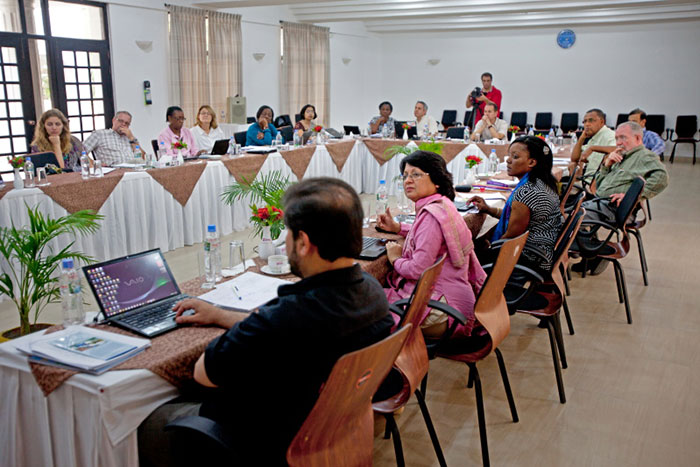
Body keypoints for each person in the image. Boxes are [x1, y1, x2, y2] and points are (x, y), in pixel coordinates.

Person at [138, 177, 393, 467]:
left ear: (304, 242)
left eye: (287, 232)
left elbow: (203, 373)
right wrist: (220, 315)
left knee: (148, 421)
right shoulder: (373, 292)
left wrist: (257, 322)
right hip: (328, 428)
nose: (284, 241)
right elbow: (280, 327)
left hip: (266, 439)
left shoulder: (288, 316)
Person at [377, 151, 487, 338]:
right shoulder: (442, 205)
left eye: (416, 174)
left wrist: (395, 259)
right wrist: (397, 227)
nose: (408, 180)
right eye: (405, 176)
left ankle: (383, 365)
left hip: (441, 310)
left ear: (436, 180)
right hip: (455, 302)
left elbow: (417, 270)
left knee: (364, 315)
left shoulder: (431, 215)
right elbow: (427, 233)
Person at [574, 121, 668, 274]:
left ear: (638, 139)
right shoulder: (622, 155)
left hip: (612, 208)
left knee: (566, 221)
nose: (618, 142)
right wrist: (607, 165)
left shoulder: (644, 157)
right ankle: (590, 253)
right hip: (600, 202)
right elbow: (599, 185)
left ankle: (592, 253)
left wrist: (631, 196)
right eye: (617, 138)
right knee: (563, 214)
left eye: (623, 138)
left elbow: (662, 178)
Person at [470, 136, 562, 272]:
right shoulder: (542, 183)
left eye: (515, 156)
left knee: (468, 255)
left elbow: (512, 236)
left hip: (529, 258)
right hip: (540, 252)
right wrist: (488, 209)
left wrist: (490, 246)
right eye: (509, 155)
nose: (508, 160)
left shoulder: (526, 192)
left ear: (531, 162)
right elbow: (517, 217)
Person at [569, 108, 616, 182]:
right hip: (587, 180)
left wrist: (593, 148)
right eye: (584, 121)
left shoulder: (610, 135)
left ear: (602, 122)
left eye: (591, 120)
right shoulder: (595, 137)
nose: (587, 124)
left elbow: (617, 149)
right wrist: (581, 138)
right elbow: (574, 159)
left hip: (597, 184)